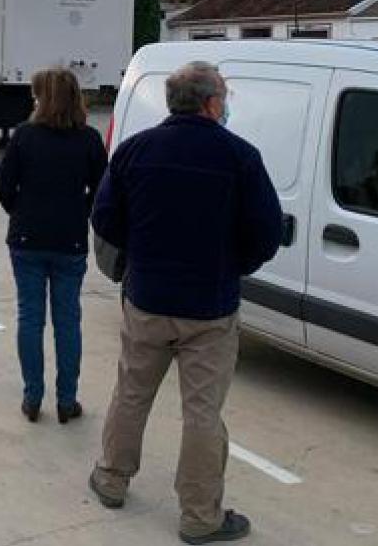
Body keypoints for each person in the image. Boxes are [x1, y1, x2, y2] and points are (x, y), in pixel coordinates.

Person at [87, 62, 282, 545]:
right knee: (201, 413)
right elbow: (266, 233)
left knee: (132, 393)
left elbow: (106, 219)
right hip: (210, 307)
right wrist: (232, 265)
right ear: (212, 103)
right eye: (225, 97)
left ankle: (111, 480)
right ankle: (199, 517)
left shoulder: (135, 151)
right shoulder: (240, 157)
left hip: (148, 298)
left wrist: (141, 255)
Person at [0, 68, 108, 424]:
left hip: (27, 239)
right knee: (67, 320)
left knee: (30, 317)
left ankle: (32, 396)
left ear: (43, 98)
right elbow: (102, 190)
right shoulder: (89, 139)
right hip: (69, 240)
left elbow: (3, 186)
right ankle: (66, 400)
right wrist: (80, 212)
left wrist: (22, 211)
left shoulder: (25, 137)